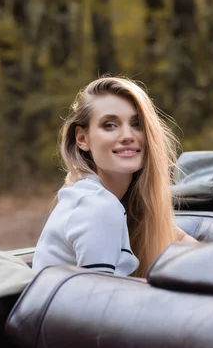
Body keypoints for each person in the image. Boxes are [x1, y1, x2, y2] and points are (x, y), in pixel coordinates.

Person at [32, 76, 195, 279]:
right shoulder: (98, 206)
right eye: (110, 125)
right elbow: (98, 303)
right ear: (82, 138)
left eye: (137, 124)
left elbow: (194, 250)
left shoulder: (122, 205)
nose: (128, 135)